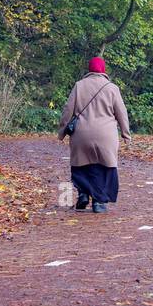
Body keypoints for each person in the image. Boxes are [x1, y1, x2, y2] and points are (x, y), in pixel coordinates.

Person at [57, 56, 131, 213]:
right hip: (106, 136)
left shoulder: (79, 86)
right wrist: (125, 134)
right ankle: (99, 201)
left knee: (80, 165)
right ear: (104, 70)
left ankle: (83, 193)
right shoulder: (112, 88)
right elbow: (121, 113)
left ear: (89, 70)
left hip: (81, 135)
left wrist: (62, 131)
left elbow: (67, 110)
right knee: (105, 166)